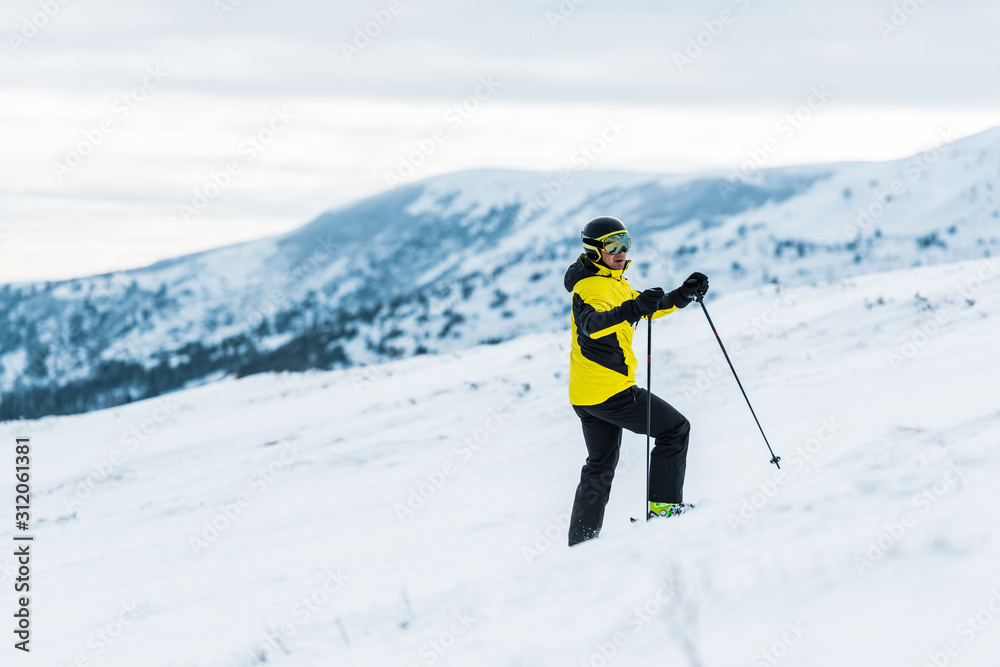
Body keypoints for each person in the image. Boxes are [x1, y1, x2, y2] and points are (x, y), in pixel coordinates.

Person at [564, 215, 709, 546]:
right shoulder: (590, 288)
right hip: (609, 391)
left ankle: (581, 545)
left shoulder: (612, 280)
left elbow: (645, 308)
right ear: (594, 250)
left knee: (599, 466)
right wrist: (632, 309)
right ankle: (663, 511)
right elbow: (593, 325)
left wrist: (682, 294)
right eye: (613, 246)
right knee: (675, 429)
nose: (621, 252)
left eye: (626, 244)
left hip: (587, 394)